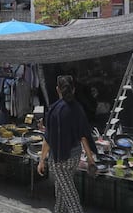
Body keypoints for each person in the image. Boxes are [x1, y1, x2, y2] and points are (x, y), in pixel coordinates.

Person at [37, 75, 97, 213]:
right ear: (74, 90)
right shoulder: (78, 108)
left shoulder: (53, 110)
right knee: (61, 191)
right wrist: (90, 159)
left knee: (70, 196)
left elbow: (48, 140)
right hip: (74, 158)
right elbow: (84, 137)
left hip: (59, 161)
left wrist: (41, 160)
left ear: (58, 89)